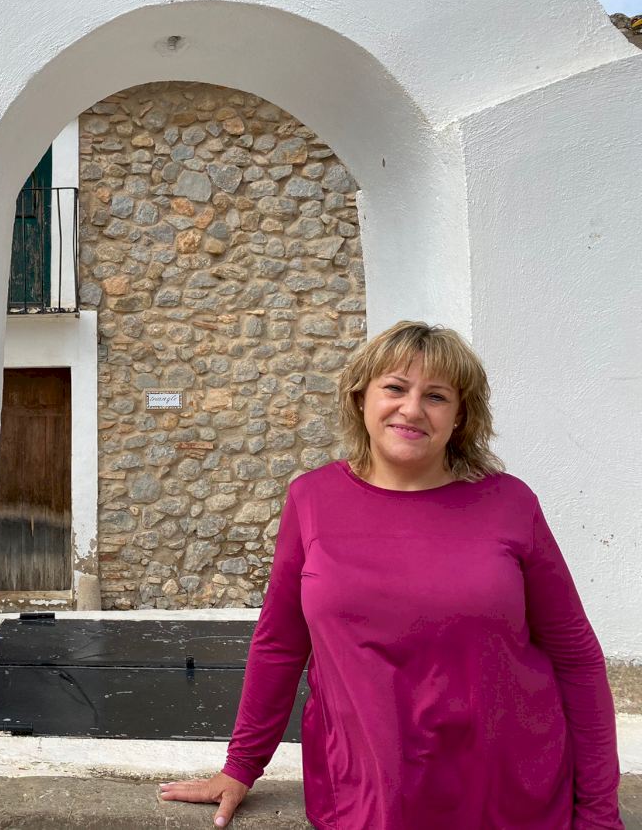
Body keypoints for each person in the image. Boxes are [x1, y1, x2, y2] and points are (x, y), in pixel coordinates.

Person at [158, 321, 623, 829]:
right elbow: (280, 644)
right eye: (395, 388)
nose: (412, 409)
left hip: (506, 794)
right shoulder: (312, 499)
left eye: (436, 396)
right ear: (361, 398)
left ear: (460, 416)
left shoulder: (510, 503)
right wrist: (241, 766)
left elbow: (576, 657)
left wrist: (599, 814)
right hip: (367, 794)